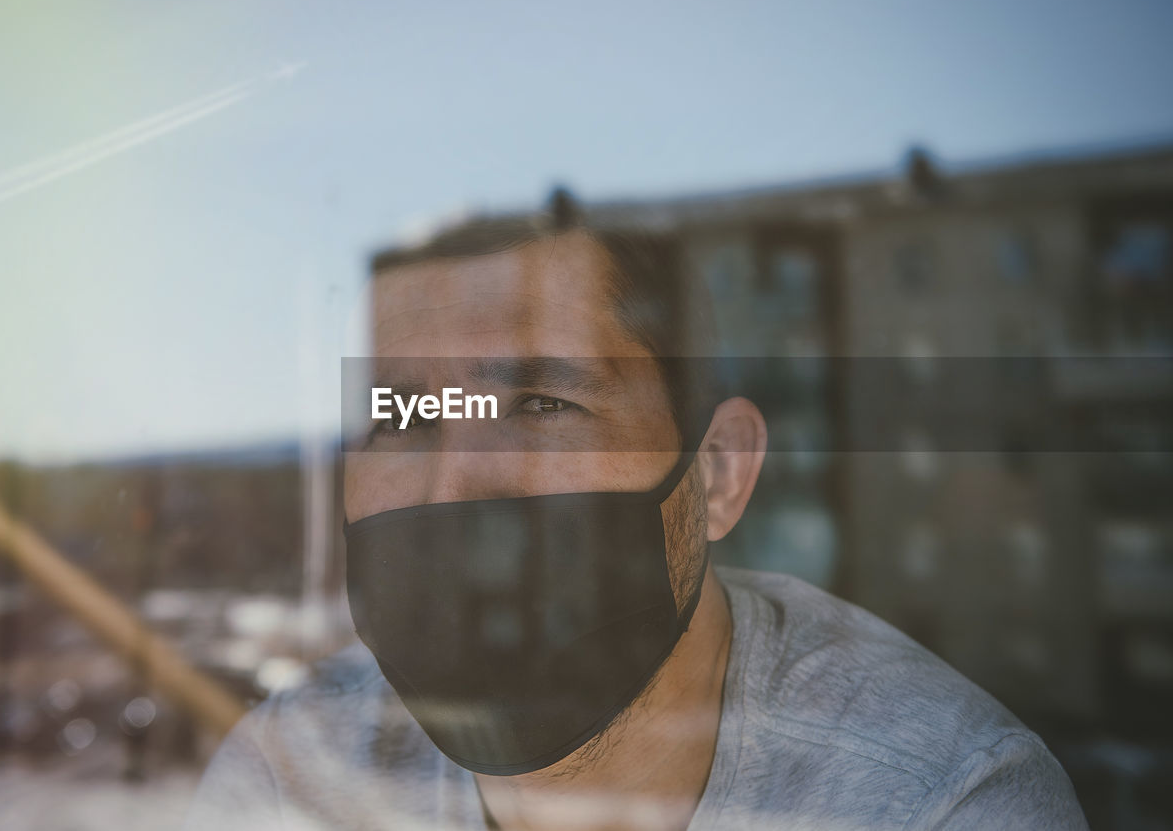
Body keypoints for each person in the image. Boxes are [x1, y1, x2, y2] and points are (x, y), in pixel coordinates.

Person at [183, 200, 1087, 830]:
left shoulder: (937, 805)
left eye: (540, 406)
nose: (451, 486)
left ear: (720, 472)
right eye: (401, 418)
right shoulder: (289, 786)